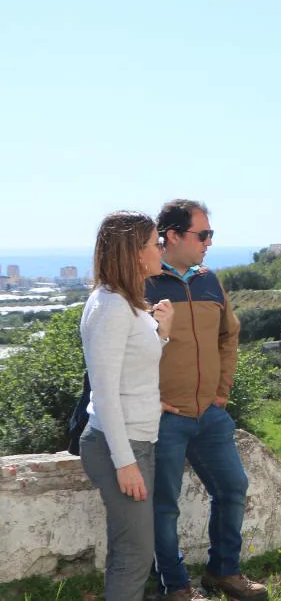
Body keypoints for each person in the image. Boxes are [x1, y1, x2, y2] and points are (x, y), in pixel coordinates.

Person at [147, 200, 266, 601]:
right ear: (174, 236)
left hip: (210, 414)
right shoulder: (143, 281)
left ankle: (223, 572)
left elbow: (228, 336)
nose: (209, 242)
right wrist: (148, 399)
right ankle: (176, 587)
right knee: (165, 505)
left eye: (211, 234)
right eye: (204, 234)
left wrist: (222, 392)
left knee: (233, 487)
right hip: (163, 416)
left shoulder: (210, 280)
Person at [78, 211, 174, 601]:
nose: (161, 248)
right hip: (121, 447)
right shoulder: (112, 308)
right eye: (155, 242)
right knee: (134, 555)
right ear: (135, 252)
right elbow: (103, 393)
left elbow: (131, 372)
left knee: (131, 550)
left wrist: (161, 334)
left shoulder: (126, 303)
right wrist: (125, 462)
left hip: (135, 441)